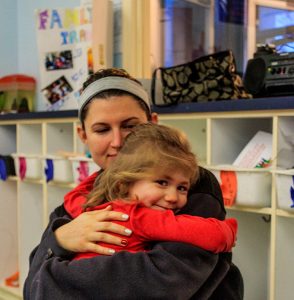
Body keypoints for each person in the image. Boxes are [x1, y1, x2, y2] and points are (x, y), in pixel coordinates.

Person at [24, 68, 244, 300]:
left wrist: (53, 278)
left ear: (154, 123)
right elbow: (31, 288)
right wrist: (58, 241)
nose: (118, 142)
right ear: (83, 136)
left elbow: (163, 283)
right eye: (102, 130)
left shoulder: (189, 184)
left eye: (131, 126)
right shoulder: (82, 197)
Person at [65, 123, 237, 260]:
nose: (172, 197)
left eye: (182, 188)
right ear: (124, 185)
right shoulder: (141, 218)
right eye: (162, 182)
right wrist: (229, 231)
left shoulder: (92, 212)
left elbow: (72, 198)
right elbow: (212, 236)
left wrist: (104, 174)